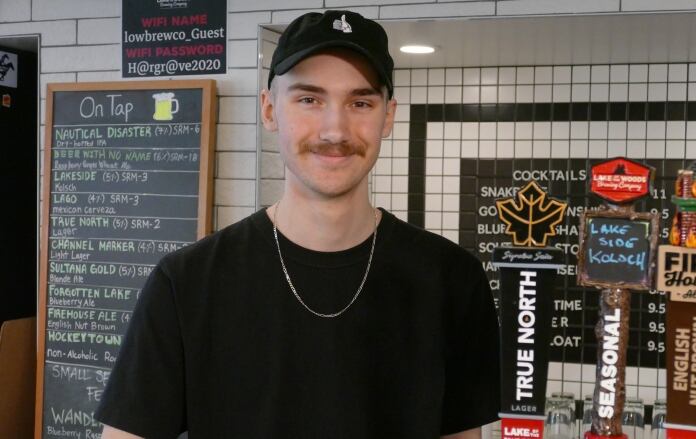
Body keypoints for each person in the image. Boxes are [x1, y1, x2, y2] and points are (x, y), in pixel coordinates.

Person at [97, 10, 499, 438]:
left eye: (360, 102)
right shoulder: (185, 283)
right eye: (309, 99)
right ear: (270, 110)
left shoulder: (452, 280)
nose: (334, 129)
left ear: (387, 117)